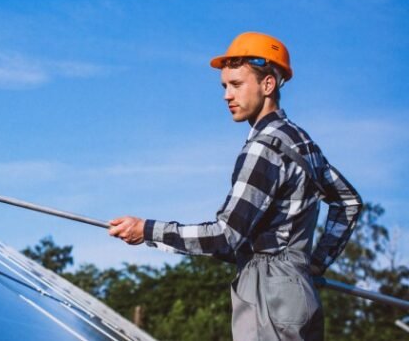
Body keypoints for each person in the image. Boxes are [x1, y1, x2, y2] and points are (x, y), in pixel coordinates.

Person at [108, 32, 362, 341]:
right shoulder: (300, 141)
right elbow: (348, 202)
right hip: (298, 295)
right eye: (225, 86)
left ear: (268, 84)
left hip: (269, 298)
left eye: (237, 85)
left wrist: (146, 230)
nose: (227, 95)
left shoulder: (263, 147)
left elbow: (225, 236)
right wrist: (315, 263)